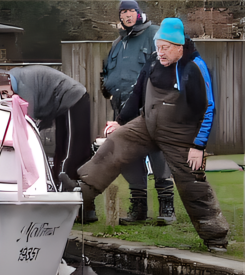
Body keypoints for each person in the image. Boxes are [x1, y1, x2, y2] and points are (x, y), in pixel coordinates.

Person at [63, 18, 229, 251]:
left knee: (192, 183)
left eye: (165, 48)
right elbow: (138, 94)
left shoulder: (195, 67)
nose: (159, 52)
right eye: (157, 46)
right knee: (116, 142)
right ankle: (81, 191)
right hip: (147, 124)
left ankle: (216, 237)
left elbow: (208, 108)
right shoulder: (153, 62)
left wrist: (199, 146)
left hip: (180, 135)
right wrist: (120, 122)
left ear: (179, 46)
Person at [102, 0, 168, 224]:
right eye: (123, 12)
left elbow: (165, 66)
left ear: (139, 14)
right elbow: (106, 72)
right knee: (129, 157)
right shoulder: (118, 43)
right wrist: (107, 88)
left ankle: (166, 207)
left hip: (149, 108)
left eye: (131, 11)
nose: (127, 15)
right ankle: (138, 209)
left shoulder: (154, 34)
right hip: (121, 110)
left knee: (156, 153)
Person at [0, 66, 92, 203]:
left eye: (6, 92)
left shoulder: (24, 86)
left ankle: (80, 200)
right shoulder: (14, 79)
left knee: (74, 152)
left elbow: (29, 120)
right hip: (58, 105)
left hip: (74, 98)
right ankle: (60, 194)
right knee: (60, 151)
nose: (7, 96)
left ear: (10, 83)